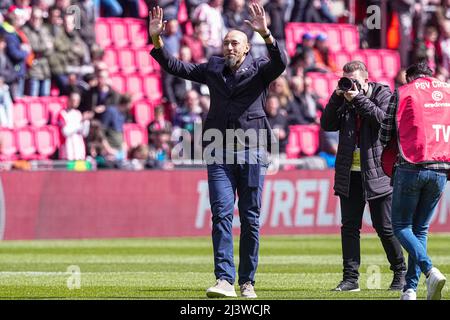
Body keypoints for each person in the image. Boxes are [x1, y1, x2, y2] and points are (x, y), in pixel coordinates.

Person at [149, 3, 287, 298]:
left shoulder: (261, 68)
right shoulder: (213, 67)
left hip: (252, 150)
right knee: (221, 215)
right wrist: (157, 41)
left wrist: (266, 34)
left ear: (247, 48)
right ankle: (224, 279)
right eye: (226, 42)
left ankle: (247, 281)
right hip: (219, 152)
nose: (228, 46)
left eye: (235, 42)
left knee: (250, 217)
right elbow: (177, 67)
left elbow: (281, 63)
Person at [320, 61, 407, 292]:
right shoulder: (344, 99)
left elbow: (382, 120)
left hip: (378, 172)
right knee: (349, 227)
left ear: (366, 80)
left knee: (385, 227)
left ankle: (400, 272)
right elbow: (327, 124)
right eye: (348, 80)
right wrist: (337, 97)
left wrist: (357, 99)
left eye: (355, 81)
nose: (351, 85)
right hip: (350, 174)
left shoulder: (384, 94)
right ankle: (350, 279)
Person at [380, 61, 450, 300]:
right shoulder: (447, 91)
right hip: (441, 168)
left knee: (400, 226)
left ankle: (429, 270)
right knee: (419, 229)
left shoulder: (403, 92)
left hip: (411, 166)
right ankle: (410, 290)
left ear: (410, 77)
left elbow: (385, 132)